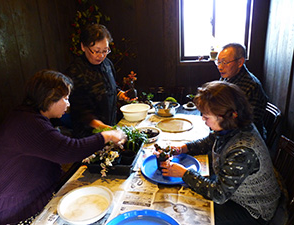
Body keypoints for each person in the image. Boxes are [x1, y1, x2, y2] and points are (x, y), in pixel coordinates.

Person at [0, 70, 126, 224]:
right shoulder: (28, 124)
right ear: (49, 98)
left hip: (34, 196)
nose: (68, 104)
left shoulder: (29, 116)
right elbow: (68, 151)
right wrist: (107, 136)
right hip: (13, 210)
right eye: (65, 98)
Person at [159, 81, 282, 224]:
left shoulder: (243, 150)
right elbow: (209, 141)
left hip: (251, 209)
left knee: (187, 212)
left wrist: (184, 173)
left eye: (206, 116)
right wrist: (182, 148)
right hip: (230, 191)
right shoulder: (231, 126)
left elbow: (218, 194)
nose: (203, 119)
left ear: (229, 115)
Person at [65, 23, 135, 138]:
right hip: (88, 135)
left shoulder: (107, 64)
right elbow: (80, 111)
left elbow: (111, 88)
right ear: (83, 47)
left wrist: (121, 95)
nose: (101, 56)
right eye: (96, 51)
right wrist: (104, 128)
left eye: (105, 50)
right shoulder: (74, 72)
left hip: (109, 126)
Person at [215, 43, 268, 139]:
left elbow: (243, 123)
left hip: (247, 138)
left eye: (224, 62)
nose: (220, 67)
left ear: (240, 62)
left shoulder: (251, 86)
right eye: (218, 62)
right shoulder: (227, 77)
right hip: (228, 129)